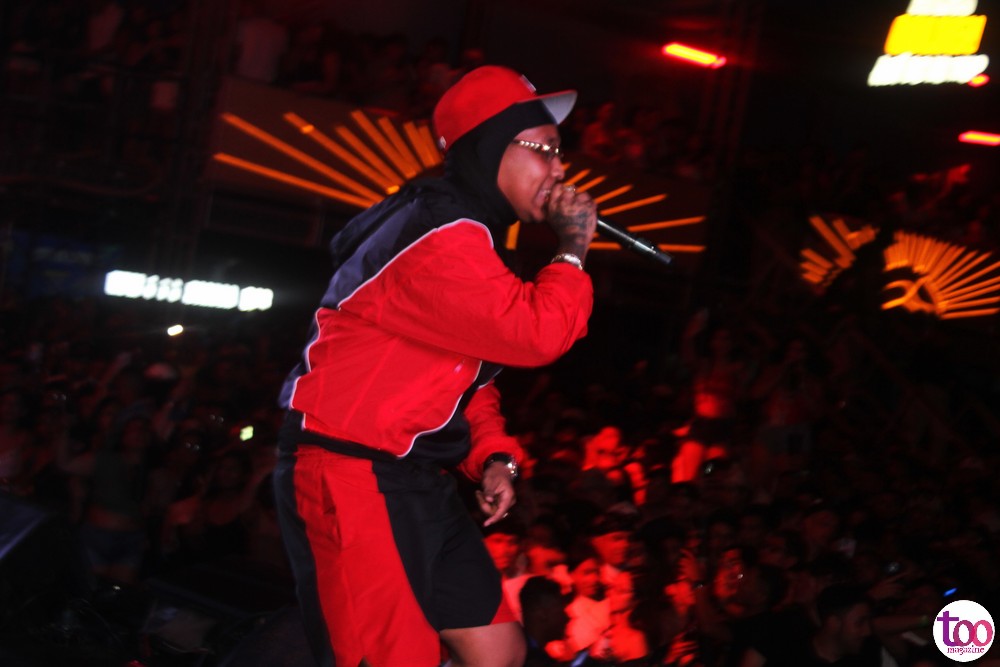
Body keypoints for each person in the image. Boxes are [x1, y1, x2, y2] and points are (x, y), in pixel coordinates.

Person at [273, 65, 597, 667]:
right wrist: (572, 250)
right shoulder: (439, 233)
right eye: (545, 150)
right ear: (490, 148)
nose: (559, 170)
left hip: (411, 476)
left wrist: (491, 455)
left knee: (499, 651)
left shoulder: (469, 235)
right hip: (351, 473)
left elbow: (470, 375)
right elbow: (536, 335)